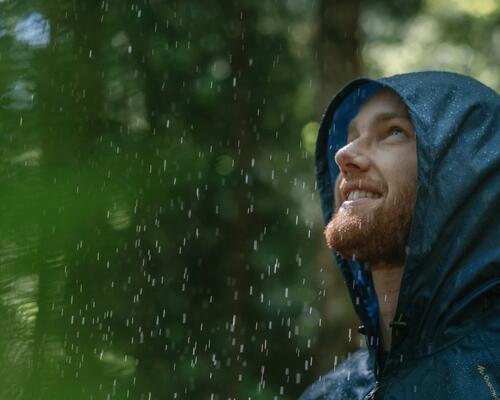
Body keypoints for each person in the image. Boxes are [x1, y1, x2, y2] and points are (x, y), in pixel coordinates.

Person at [299, 71, 500, 399]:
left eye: (393, 132)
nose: (344, 155)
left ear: (463, 173)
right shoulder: (330, 393)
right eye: (351, 136)